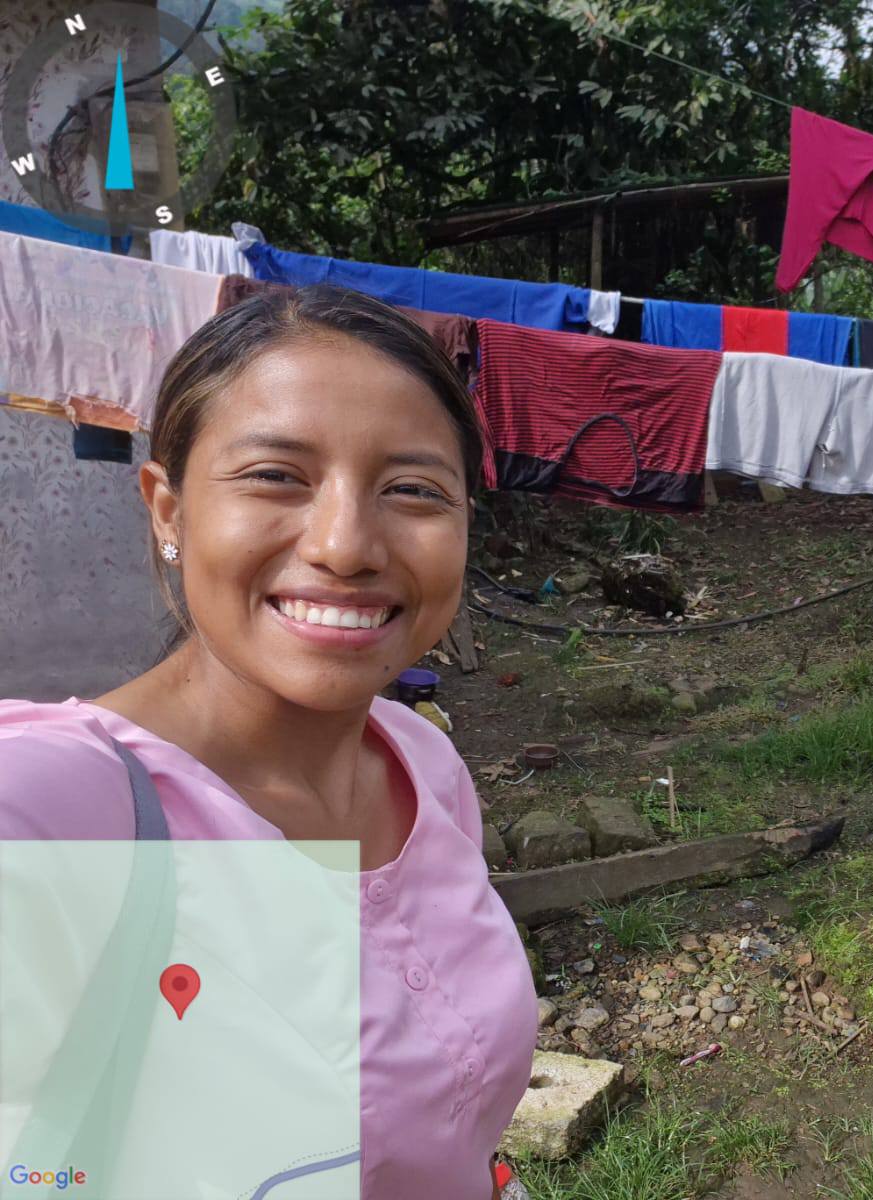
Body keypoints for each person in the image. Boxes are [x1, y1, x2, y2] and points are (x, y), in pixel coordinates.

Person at [0, 286, 536, 1198]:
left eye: (412, 490)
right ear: (167, 510)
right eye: (276, 476)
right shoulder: (53, 809)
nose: (345, 546)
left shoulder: (423, 764)